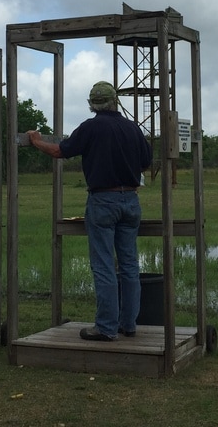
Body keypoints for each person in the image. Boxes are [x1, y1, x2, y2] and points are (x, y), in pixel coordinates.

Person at [25, 81, 152, 341]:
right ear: (115, 101)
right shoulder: (132, 128)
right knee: (129, 265)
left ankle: (106, 327)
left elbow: (60, 151)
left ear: (92, 104)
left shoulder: (90, 127)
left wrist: (36, 141)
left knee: (104, 265)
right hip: (131, 201)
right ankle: (128, 324)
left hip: (103, 200)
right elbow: (146, 163)